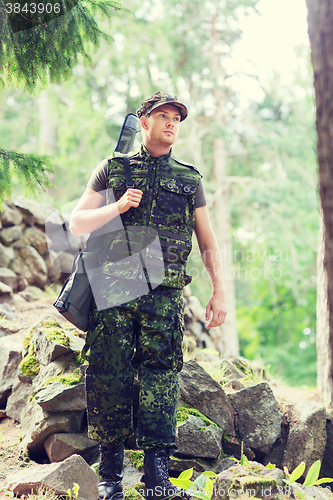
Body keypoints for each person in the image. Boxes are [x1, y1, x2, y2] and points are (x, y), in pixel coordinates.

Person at [70, 91, 226, 500]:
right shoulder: (113, 168)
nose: (171, 123)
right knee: (108, 375)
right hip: (114, 291)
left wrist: (219, 292)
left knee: (162, 380)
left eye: (177, 117)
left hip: (164, 294)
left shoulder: (189, 179)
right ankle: (109, 478)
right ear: (144, 122)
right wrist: (117, 206)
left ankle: (157, 481)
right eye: (163, 116)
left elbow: (207, 240)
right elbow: (77, 221)